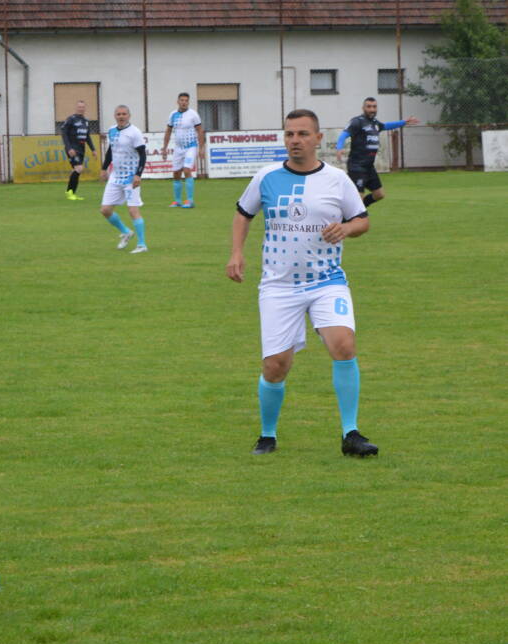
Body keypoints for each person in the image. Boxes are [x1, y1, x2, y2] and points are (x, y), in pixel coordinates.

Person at [226, 108, 379, 458]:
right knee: (276, 365)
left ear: (318, 138)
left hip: (327, 280)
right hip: (279, 286)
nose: (295, 140)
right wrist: (236, 253)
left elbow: (362, 220)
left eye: (303, 134)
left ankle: (351, 433)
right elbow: (242, 213)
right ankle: (267, 435)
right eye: (290, 134)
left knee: (343, 344)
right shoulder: (266, 177)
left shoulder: (337, 180)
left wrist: (347, 228)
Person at [336, 97, 419, 208]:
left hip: (369, 167)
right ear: (363, 108)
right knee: (358, 198)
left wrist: (403, 122)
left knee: (379, 194)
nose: (372, 109)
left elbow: (385, 126)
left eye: (374, 106)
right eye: (369, 106)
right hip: (357, 167)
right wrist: (339, 147)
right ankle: (354, 216)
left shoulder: (375, 123)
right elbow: (344, 134)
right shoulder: (357, 121)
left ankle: (356, 211)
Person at [100, 105, 148, 254]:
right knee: (105, 210)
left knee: (133, 210)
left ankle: (142, 245)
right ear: (115, 116)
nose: (121, 116)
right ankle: (126, 232)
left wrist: (138, 174)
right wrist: (104, 168)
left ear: (129, 115)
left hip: (130, 178)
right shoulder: (112, 130)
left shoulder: (135, 133)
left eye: (124, 114)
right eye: (118, 114)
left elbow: (142, 154)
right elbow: (110, 151)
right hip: (115, 177)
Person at [160, 93, 204, 209]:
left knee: (187, 169)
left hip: (191, 146)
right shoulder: (173, 115)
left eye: (186, 100)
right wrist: (164, 147)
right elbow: (168, 131)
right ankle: (177, 201)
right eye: (182, 100)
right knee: (176, 173)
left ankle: (190, 201)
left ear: (188, 102)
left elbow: (200, 130)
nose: (184, 102)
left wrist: (201, 148)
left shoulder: (193, 115)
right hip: (178, 148)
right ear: (178, 102)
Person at [60, 100, 96, 201]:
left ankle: (72, 193)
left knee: (75, 170)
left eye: (83, 107)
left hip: (81, 149)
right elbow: (64, 133)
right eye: (79, 107)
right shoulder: (71, 119)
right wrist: (69, 148)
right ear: (76, 108)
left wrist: (93, 149)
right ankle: (69, 192)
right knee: (79, 168)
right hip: (73, 149)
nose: (81, 108)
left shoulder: (85, 121)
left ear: (85, 108)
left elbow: (87, 136)